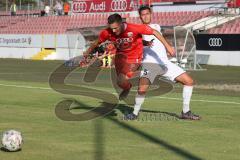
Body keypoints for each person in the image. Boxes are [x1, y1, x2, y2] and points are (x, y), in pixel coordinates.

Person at [124, 5, 201, 120]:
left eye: (147, 14)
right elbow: (137, 41)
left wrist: (167, 46)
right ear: (140, 16)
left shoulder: (156, 26)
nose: (145, 16)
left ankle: (186, 112)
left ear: (151, 14)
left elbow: (155, 33)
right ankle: (134, 113)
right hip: (149, 65)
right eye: (143, 14)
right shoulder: (137, 30)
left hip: (164, 63)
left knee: (189, 81)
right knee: (142, 89)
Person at [79, 13, 175, 100]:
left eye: (116, 28)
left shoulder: (134, 28)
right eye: (111, 28)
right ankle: (127, 88)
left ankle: (141, 75)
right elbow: (96, 43)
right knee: (120, 82)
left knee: (122, 78)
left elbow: (154, 32)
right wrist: (86, 54)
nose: (113, 30)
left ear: (121, 23)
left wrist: (168, 47)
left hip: (135, 57)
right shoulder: (107, 32)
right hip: (120, 58)